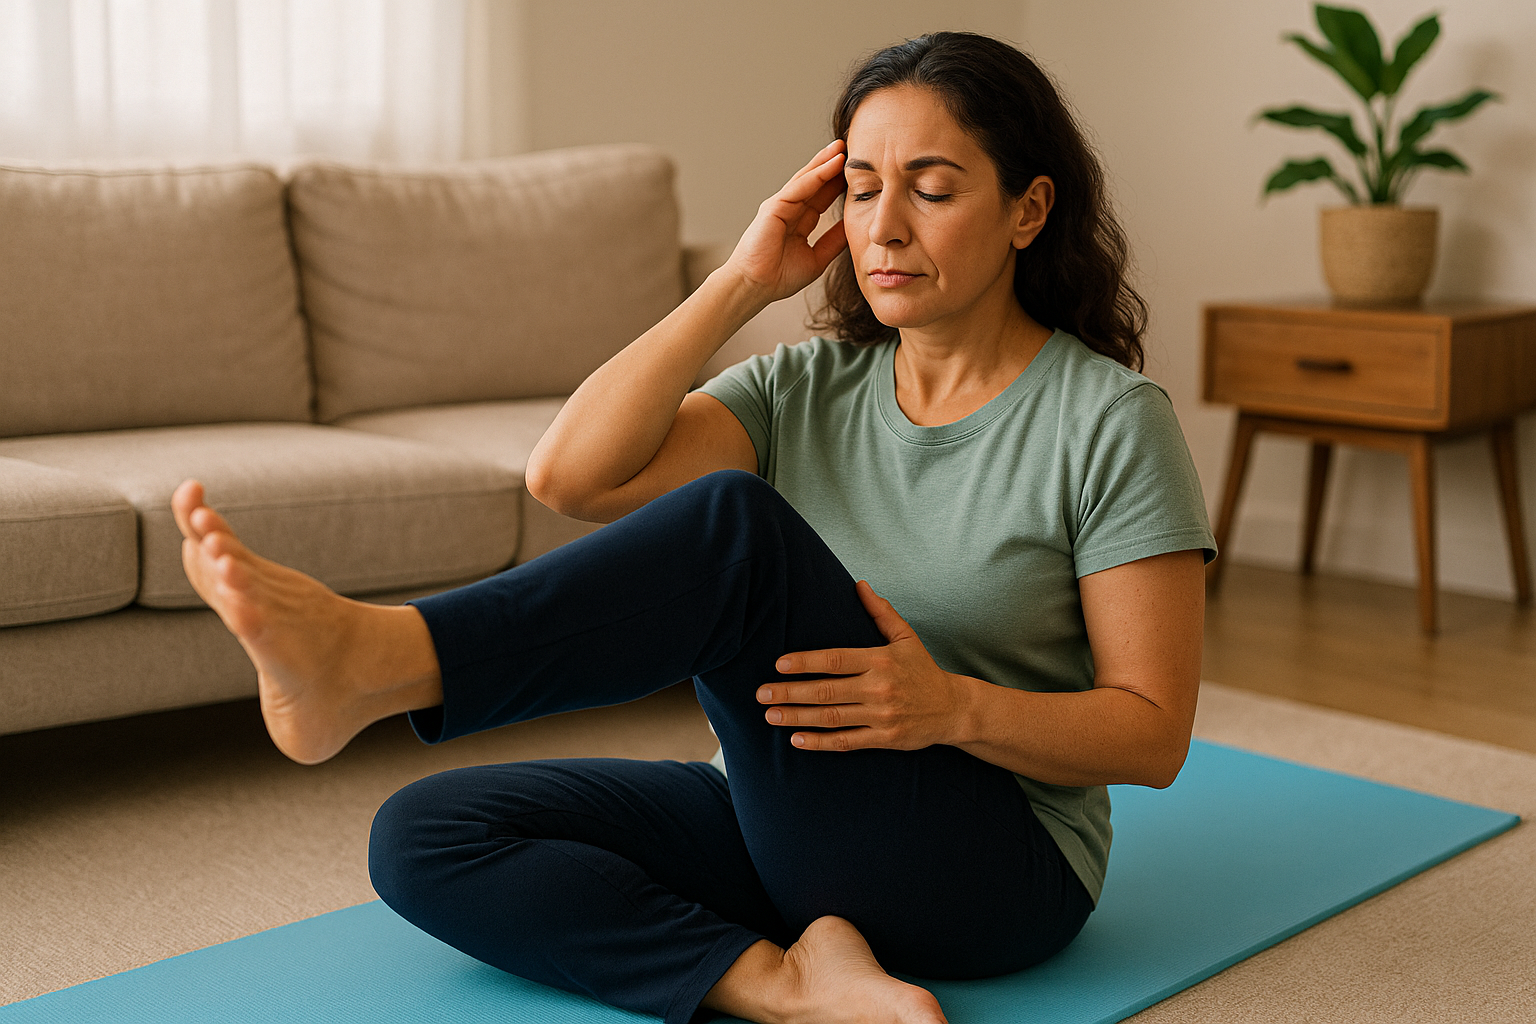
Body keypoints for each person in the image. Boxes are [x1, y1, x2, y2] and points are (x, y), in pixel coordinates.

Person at [171, 31, 1214, 1024]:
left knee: (737, 527)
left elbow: (1152, 733)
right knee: (425, 834)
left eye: (931, 189)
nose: (884, 226)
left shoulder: (1109, 422)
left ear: (1029, 210)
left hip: (996, 868)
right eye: (860, 189)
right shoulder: (806, 386)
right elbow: (567, 474)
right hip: (795, 820)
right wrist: (742, 283)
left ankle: (387, 656)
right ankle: (782, 982)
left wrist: (948, 708)